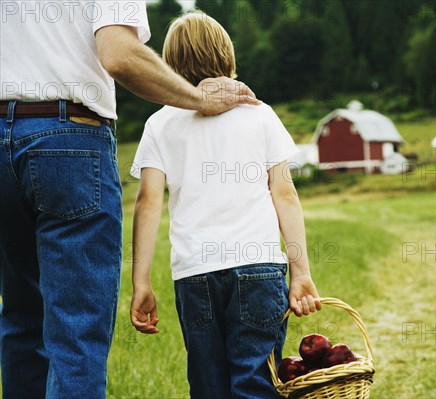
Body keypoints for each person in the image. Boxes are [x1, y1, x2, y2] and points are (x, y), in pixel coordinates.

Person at [0, 1, 259, 398]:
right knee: (76, 330)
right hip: (67, 138)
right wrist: (197, 99)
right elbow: (120, 55)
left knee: (20, 318)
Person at [129, 11, 321, 399]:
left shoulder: (160, 124)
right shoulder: (259, 114)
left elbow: (148, 203)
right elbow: (285, 195)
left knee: (207, 385)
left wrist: (141, 282)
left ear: (170, 65)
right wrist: (300, 270)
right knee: (255, 382)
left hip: (195, 275)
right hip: (258, 268)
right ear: (227, 57)